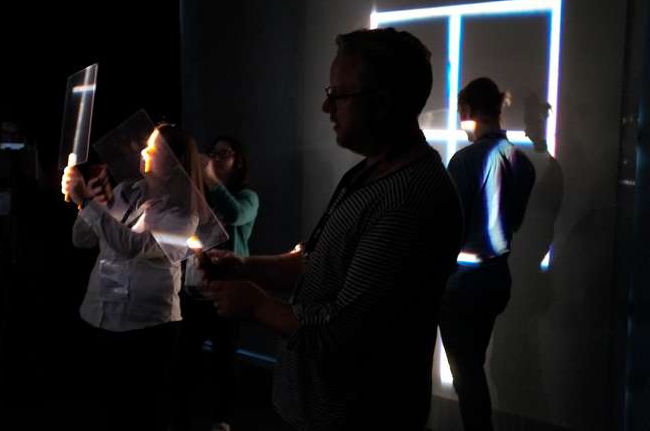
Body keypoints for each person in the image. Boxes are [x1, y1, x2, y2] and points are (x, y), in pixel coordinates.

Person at [202, 28, 463, 430]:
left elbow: (343, 333)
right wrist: (243, 265)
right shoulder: (369, 172)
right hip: (315, 410)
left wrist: (255, 304)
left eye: (339, 94)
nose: (327, 106)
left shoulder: (408, 201)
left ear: (382, 102)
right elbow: (316, 263)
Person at [63, 123, 204, 431]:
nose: (143, 151)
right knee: (107, 409)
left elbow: (133, 247)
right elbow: (82, 239)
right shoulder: (127, 190)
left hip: (146, 325)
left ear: (176, 161)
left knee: (139, 411)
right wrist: (89, 198)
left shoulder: (183, 214)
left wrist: (86, 202)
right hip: (101, 313)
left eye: (153, 148)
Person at [439, 77, 536, 431]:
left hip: (462, 286)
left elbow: (447, 228)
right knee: (474, 368)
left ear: (467, 112)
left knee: (467, 377)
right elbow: (517, 222)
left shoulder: (464, 161)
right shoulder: (522, 162)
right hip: (497, 280)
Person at [177, 135, 259, 431]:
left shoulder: (248, 197)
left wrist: (210, 179)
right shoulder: (201, 194)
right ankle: (180, 418)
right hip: (196, 287)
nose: (215, 157)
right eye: (213, 152)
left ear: (238, 161)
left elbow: (236, 215)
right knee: (185, 357)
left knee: (225, 358)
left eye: (224, 153)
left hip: (228, 291)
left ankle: (222, 420)